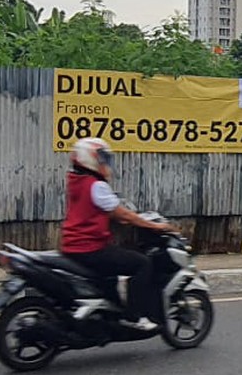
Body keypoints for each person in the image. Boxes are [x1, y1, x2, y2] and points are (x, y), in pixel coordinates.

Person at [61, 137, 173, 331]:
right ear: (90, 158)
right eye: (102, 158)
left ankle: (109, 311)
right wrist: (154, 227)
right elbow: (124, 214)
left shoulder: (76, 180)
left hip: (72, 245)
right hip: (90, 247)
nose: (105, 163)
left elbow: (106, 211)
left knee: (115, 262)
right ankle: (134, 316)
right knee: (142, 263)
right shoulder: (96, 185)